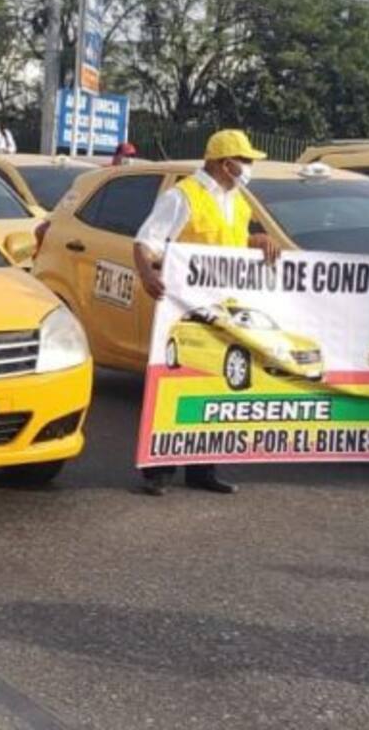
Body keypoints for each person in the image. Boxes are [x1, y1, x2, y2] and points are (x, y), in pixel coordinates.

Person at [133, 129, 281, 496]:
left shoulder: (239, 200)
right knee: (176, 384)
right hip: (185, 307)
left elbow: (228, 243)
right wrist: (147, 273)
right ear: (222, 162)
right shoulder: (183, 195)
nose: (249, 168)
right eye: (244, 161)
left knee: (215, 387)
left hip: (225, 307)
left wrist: (255, 241)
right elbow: (146, 240)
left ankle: (203, 469)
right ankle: (158, 471)